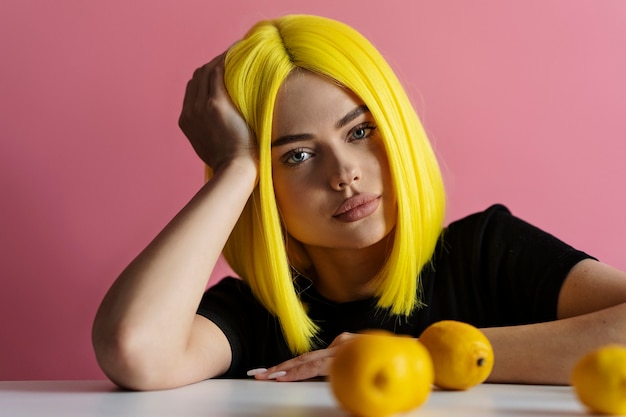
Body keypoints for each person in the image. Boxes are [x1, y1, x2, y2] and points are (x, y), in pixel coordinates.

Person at [92, 14, 626, 391]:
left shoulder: (485, 253)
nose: (344, 173)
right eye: (297, 155)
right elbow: (134, 349)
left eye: (360, 130)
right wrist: (234, 169)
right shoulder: (256, 314)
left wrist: (424, 356)